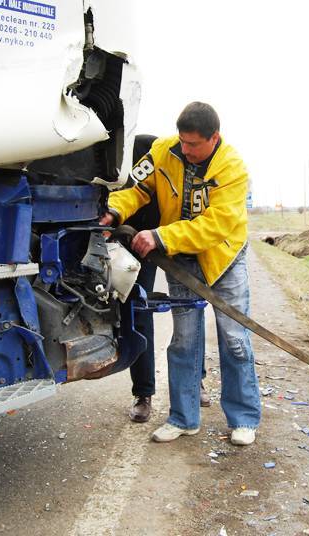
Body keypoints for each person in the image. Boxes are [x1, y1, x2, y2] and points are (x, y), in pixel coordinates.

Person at [100, 102, 260, 445]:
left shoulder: (232, 168)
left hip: (223, 259)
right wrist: (115, 211)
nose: (185, 150)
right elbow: (138, 190)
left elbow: (216, 226)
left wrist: (160, 236)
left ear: (213, 138)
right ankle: (183, 418)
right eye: (183, 142)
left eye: (193, 145)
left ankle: (243, 418)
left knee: (234, 338)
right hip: (181, 260)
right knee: (184, 340)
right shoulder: (163, 150)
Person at [121, 137, 211, 424]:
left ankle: (196, 379)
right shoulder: (104, 155)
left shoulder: (154, 146)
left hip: (176, 239)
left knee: (189, 310)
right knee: (139, 310)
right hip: (137, 241)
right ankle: (143, 394)